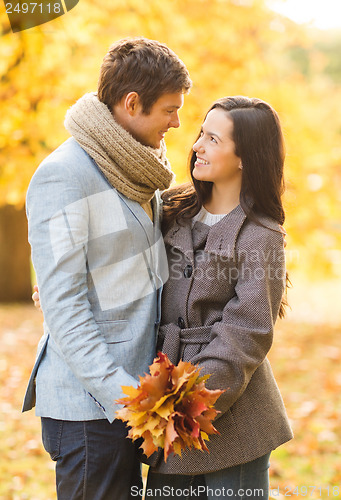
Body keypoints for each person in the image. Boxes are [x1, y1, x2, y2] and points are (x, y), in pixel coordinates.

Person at [23, 37, 192, 500]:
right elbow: (67, 311)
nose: (177, 123)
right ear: (131, 103)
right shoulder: (64, 174)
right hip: (92, 410)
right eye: (169, 110)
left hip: (136, 400)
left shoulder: (138, 167)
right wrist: (129, 400)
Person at [142, 96, 293, 499]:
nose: (196, 146)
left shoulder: (262, 236)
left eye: (212, 138)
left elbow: (248, 331)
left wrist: (188, 403)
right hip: (164, 409)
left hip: (232, 416)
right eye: (200, 134)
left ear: (244, 157)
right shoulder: (173, 208)